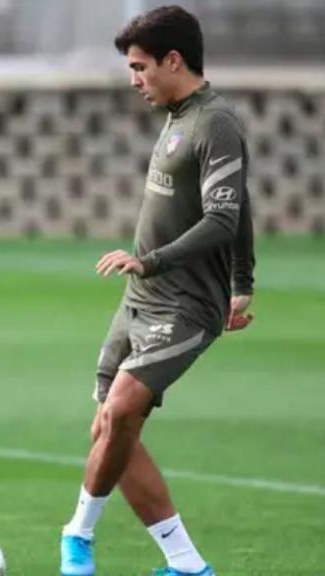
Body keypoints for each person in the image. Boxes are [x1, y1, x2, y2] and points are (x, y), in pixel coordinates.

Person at [58, 5, 256, 576]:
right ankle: (187, 565)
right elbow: (238, 207)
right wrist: (244, 281)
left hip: (187, 304)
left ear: (174, 60)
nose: (133, 80)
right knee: (109, 426)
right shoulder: (176, 116)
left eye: (141, 67)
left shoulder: (215, 121)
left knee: (120, 412)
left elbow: (223, 218)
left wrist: (151, 262)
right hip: (140, 301)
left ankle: (77, 537)